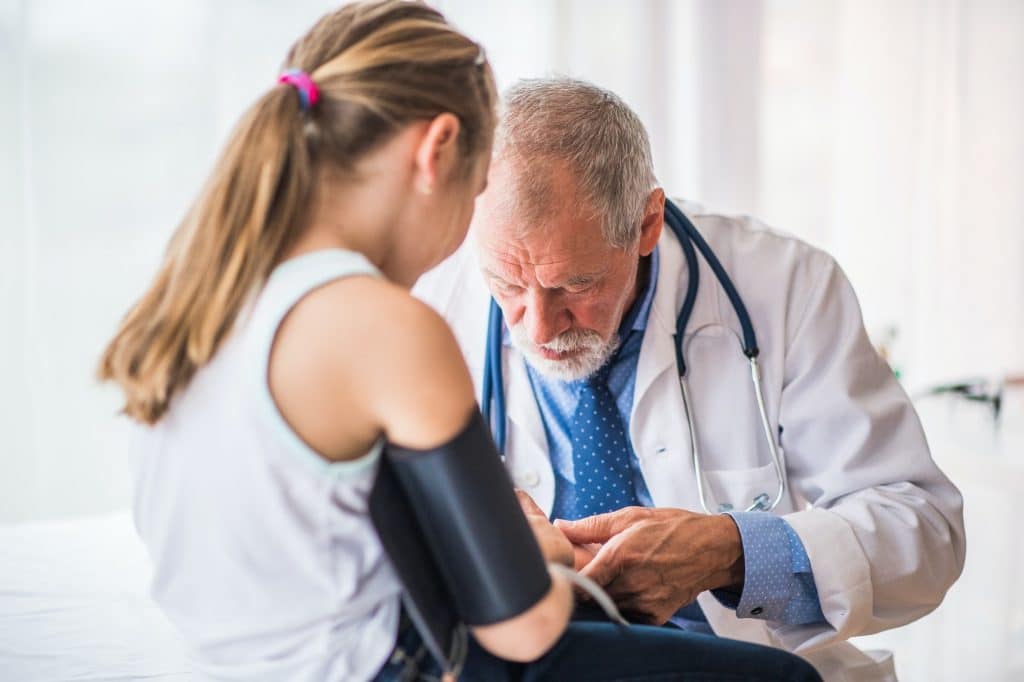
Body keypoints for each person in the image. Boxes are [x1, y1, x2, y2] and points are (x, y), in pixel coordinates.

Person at [98, 2, 821, 681]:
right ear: (438, 150)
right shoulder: (384, 324)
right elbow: (524, 628)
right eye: (477, 188)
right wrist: (535, 545)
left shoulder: (195, 301)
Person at [414, 77, 966, 681]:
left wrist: (735, 552)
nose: (539, 326)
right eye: (509, 286)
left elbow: (924, 531)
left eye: (576, 285)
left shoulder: (786, 285)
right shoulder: (428, 304)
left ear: (648, 223)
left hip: (751, 664)